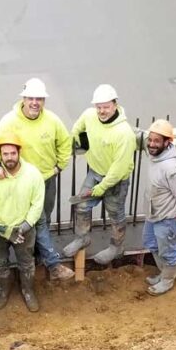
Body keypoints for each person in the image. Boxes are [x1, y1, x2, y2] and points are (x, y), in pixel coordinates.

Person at [0, 78, 75, 281]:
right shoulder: (9, 122)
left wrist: (59, 166)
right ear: (23, 99)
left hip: (46, 180)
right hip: (20, 183)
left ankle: (38, 255)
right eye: (31, 98)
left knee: (43, 219)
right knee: (30, 221)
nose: (34, 103)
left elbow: (65, 144)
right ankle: (50, 264)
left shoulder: (52, 121)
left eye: (39, 99)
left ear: (43, 101)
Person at [63, 84, 136, 265]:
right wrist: (85, 144)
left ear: (115, 105)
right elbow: (77, 130)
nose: (102, 111)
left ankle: (116, 246)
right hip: (95, 173)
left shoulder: (124, 133)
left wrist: (100, 188)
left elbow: (118, 169)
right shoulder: (89, 115)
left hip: (116, 181)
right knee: (81, 206)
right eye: (99, 107)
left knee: (115, 214)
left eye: (106, 107)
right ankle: (82, 238)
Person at [0, 131, 45, 312]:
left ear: (19, 152)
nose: (9, 158)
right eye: (5, 154)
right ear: (0, 155)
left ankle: (28, 290)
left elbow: (37, 204)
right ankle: (3, 289)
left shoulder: (32, 174)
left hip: (24, 229)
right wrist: (4, 230)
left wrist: (25, 226)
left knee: (26, 261)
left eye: (12, 153)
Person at [141, 119, 176, 295]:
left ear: (167, 142)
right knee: (150, 242)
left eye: (157, 141)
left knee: (167, 250)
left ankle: (167, 280)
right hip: (154, 214)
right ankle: (164, 272)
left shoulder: (171, 168)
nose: (151, 144)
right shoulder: (154, 156)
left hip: (169, 218)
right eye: (150, 140)